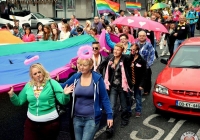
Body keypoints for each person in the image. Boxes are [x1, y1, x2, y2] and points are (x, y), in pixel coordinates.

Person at [60, 46, 113, 140]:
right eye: (79, 64)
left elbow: (104, 98)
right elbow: (63, 86)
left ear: (90, 66)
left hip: (91, 119)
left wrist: (109, 115)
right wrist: (48, 81)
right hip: (77, 118)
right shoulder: (76, 77)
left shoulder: (97, 79)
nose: (81, 67)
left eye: (84, 65)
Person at [7, 63, 71, 140]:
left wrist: (65, 94)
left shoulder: (52, 83)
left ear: (43, 72)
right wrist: (12, 95)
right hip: (31, 124)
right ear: (32, 76)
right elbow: (19, 102)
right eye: (35, 73)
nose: (38, 75)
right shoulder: (28, 85)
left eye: (39, 72)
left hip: (50, 124)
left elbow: (63, 101)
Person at [98, 43, 132, 128]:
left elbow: (132, 60)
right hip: (113, 86)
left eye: (118, 50)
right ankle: (110, 126)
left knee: (124, 106)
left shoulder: (125, 58)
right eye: (115, 49)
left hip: (123, 86)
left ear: (122, 51)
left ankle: (124, 119)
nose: (116, 51)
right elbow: (101, 66)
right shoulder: (110, 57)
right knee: (112, 107)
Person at [127, 44, 147, 117]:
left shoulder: (141, 61)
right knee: (128, 97)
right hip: (129, 82)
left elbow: (144, 74)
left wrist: (142, 84)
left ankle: (138, 110)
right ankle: (128, 111)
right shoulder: (128, 59)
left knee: (138, 97)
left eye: (133, 50)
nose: (132, 51)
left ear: (137, 51)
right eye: (130, 50)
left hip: (138, 82)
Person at [135, 31, 155, 95]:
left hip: (146, 65)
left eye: (143, 36)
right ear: (138, 36)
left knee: (147, 78)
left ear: (146, 37)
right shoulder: (135, 44)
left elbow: (152, 55)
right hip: (137, 65)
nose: (142, 37)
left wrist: (148, 65)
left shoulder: (149, 45)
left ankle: (147, 90)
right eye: (140, 36)